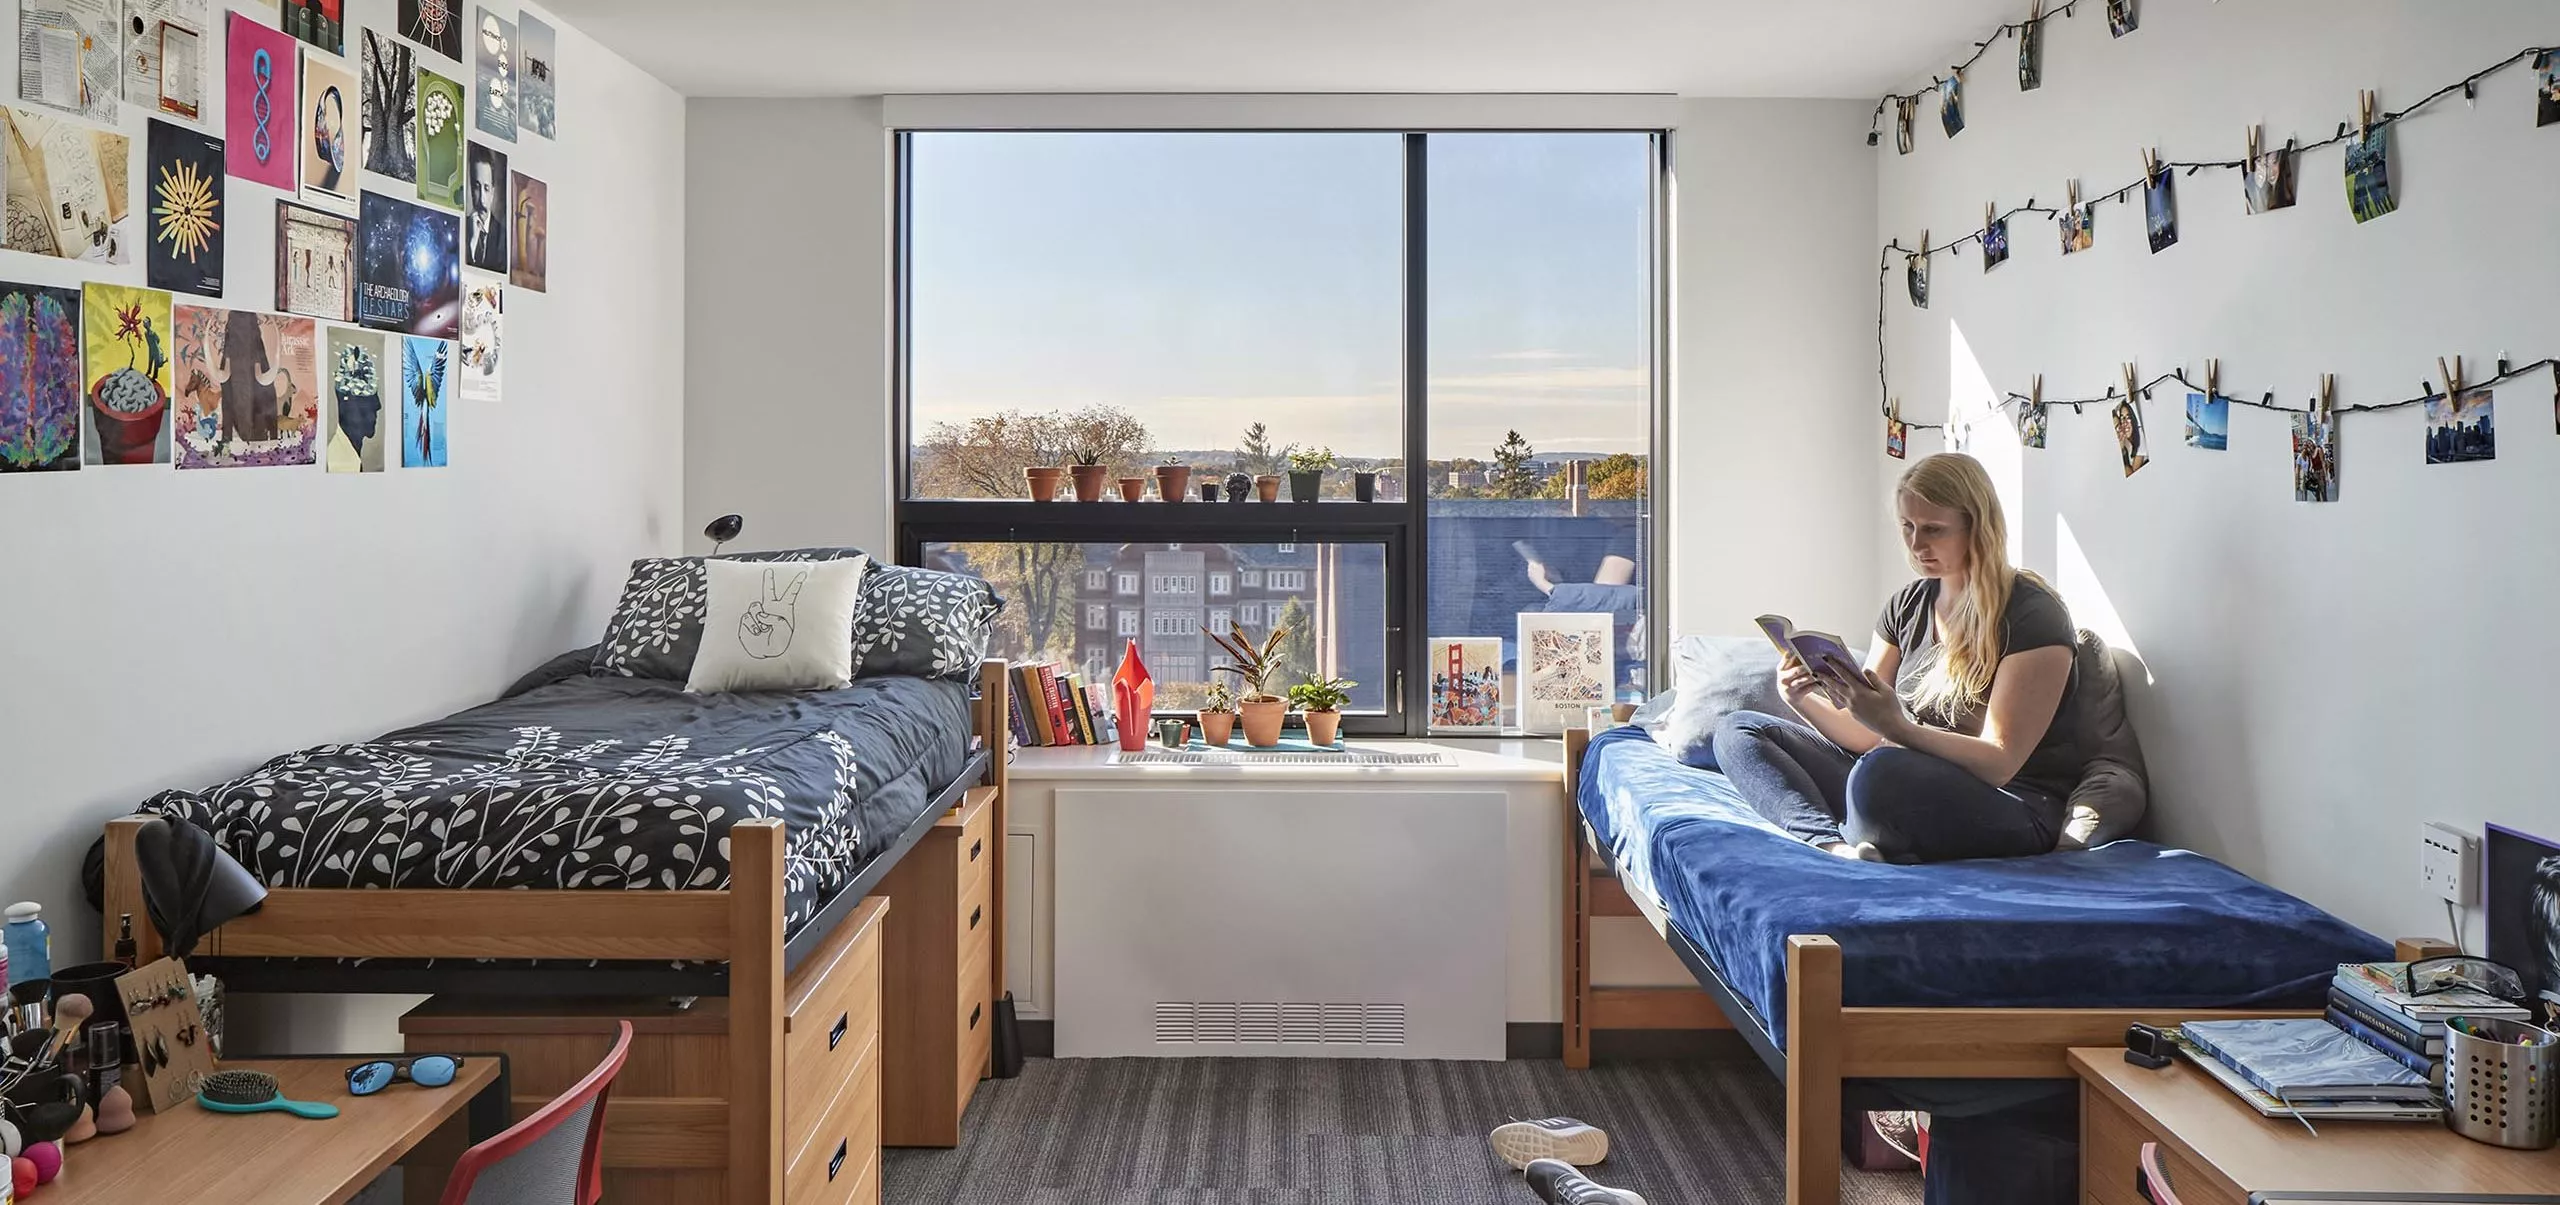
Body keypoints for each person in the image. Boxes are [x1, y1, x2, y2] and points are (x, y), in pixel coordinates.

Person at [1710, 453, 2083, 863]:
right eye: (1907, 526)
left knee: (1881, 774)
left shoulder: (2033, 613)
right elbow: (1866, 734)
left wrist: (1898, 728)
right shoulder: (1906, 604)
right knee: (1738, 731)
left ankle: (1869, 829)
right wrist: (1800, 699)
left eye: (1933, 530)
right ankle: (1834, 845)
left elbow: (2001, 763)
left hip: (2007, 804)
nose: (1916, 544)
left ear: (1978, 529)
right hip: (1899, 774)